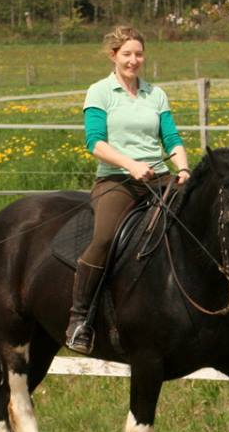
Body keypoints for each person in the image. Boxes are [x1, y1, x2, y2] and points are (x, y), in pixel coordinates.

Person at [66, 25, 190, 354]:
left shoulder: (156, 94)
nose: (133, 60)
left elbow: (172, 139)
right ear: (113, 56)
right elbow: (95, 143)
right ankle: (79, 319)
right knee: (104, 238)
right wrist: (131, 165)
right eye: (127, 54)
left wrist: (184, 168)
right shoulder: (100, 92)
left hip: (159, 176)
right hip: (117, 180)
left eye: (138, 54)